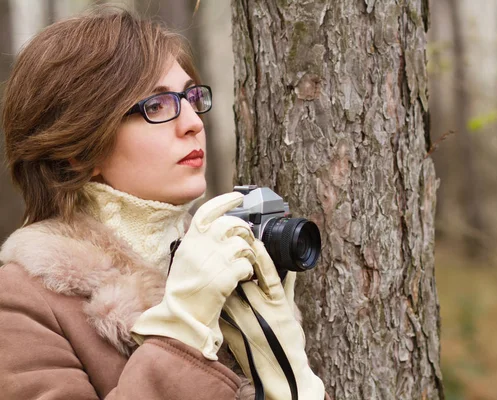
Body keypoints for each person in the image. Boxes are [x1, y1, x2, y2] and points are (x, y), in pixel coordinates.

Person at [0, 6, 326, 400]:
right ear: (78, 151)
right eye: (155, 106)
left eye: (189, 97)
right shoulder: (19, 302)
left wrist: (291, 376)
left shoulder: (224, 261)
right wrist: (182, 330)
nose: (193, 121)